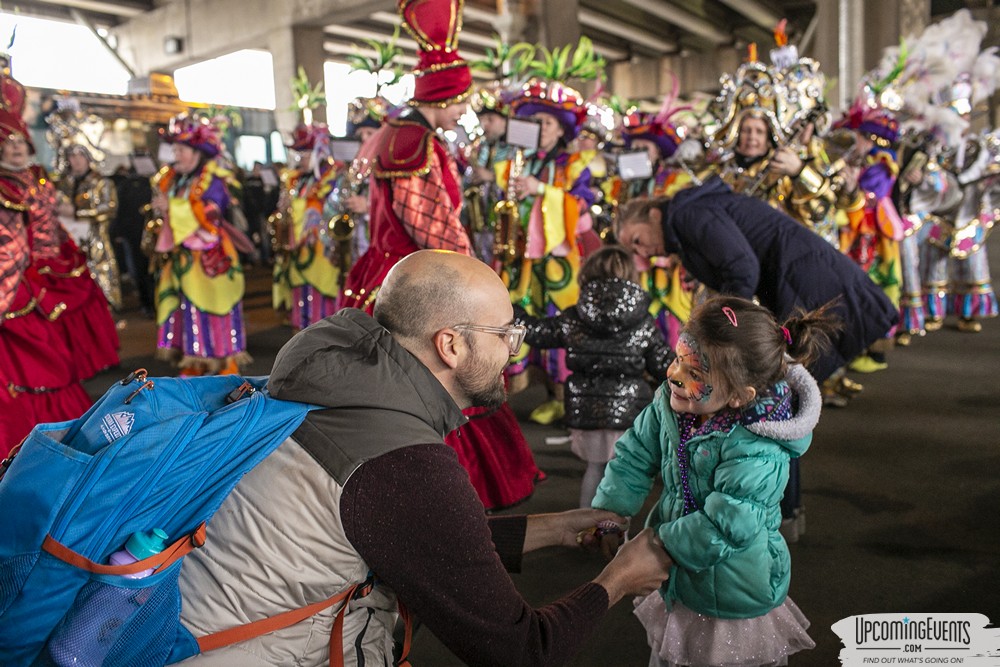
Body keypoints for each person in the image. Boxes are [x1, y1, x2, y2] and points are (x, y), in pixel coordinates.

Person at [177, 249, 674, 666]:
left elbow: (406, 534)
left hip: (196, 635)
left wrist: (557, 526)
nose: (513, 353)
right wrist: (619, 578)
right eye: (504, 336)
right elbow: (522, 652)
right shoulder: (404, 465)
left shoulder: (338, 380)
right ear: (451, 345)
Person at [338, 0, 540, 511]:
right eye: (459, 100)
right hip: (420, 277)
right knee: (448, 369)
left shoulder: (403, 135)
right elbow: (432, 227)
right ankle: (442, 488)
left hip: (388, 269)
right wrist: (474, 275)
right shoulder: (415, 142)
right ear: (443, 95)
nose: (463, 110)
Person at [593, 295, 836, 667]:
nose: (674, 375)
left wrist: (658, 546)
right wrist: (611, 510)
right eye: (678, 359)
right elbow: (634, 453)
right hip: (679, 571)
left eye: (695, 374)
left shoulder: (760, 447)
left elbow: (726, 524)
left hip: (734, 593)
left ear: (740, 396)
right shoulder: (671, 404)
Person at [614, 178, 898, 387]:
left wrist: (726, 327)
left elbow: (741, 268)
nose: (642, 253)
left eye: (637, 240)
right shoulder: (687, 219)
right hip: (803, 278)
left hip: (808, 282)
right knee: (783, 398)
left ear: (653, 214)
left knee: (781, 399)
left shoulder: (689, 215)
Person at [515, 246, 673, 508]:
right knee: (622, 474)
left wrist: (514, 312)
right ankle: (615, 535)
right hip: (629, 412)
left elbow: (538, 332)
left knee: (594, 469)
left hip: (585, 410)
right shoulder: (643, 321)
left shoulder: (574, 317)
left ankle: (584, 526)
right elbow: (663, 364)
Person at [149, 114, 251, 376]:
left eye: (181, 149)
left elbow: (213, 213)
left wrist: (172, 207)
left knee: (213, 309)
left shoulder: (213, 179)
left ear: (197, 153)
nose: (176, 155)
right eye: (175, 149)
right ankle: (194, 362)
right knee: (187, 310)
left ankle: (224, 365)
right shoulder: (177, 179)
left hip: (209, 259)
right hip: (184, 257)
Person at [270, 122, 344, 330]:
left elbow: (335, 213)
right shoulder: (297, 181)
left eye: (305, 153)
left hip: (322, 255)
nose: (300, 159)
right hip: (296, 252)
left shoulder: (333, 178)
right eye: (298, 154)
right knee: (300, 300)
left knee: (323, 305)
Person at [55, 144, 122, 310]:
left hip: (95, 238)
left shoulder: (101, 182)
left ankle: (106, 308)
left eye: (80, 156)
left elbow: (109, 208)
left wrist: (78, 212)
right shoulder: (63, 184)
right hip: (68, 240)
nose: (76, 160)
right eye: (72, 156)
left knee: (101, 275)